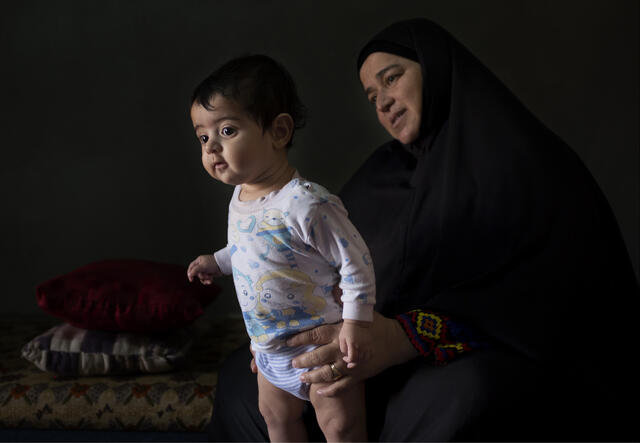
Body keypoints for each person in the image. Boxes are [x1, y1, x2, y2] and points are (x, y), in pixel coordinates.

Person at [206, 19, 640, 442]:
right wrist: (284, 337)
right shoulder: (383, 172)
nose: (383, 103)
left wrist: (402, 338)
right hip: (366, 355)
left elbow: (553, 305)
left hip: (477, 358)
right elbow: (320, 265)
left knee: (464, 397)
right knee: (243, 386)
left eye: (392, 79)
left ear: (437, 70)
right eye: (372, 95)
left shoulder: (531, 165)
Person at [186, 54, 376, 442]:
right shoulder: (240, 197)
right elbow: (246, 249)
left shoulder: (306, 203)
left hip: (321, 343)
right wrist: (216, 261)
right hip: (268, 350)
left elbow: (356, 262)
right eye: (203, 137)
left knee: (340, 425)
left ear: (278, 132)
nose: (211, 148)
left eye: (226, 131)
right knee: (276, 420)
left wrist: (356, 323)